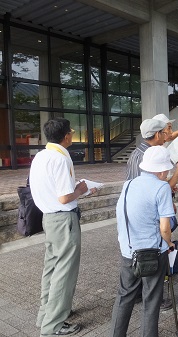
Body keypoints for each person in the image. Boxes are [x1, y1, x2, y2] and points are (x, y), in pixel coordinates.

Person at [30, 118, 96, 336]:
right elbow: (65, 197)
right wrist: (82, 189)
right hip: (63, 219)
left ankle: (45, 315)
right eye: (71, 132)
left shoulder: (40, 156)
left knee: (51, 267)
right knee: (64, 272)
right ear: (67, 136)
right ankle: (54, 324)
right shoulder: (61, 158)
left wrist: (76, 191)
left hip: (48, 219)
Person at [110, 146, 175, 337]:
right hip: (153, 253)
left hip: (128, 251)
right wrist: (169, 244)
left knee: (124, 296)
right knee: (151, 300)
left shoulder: (128, 184)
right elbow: (165, 228)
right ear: (162, 170)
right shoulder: (162, 187)